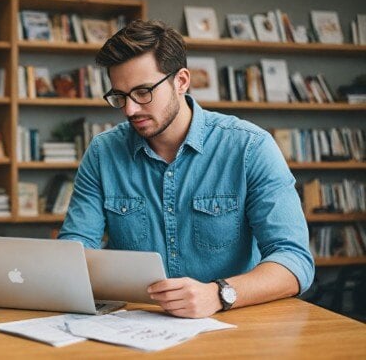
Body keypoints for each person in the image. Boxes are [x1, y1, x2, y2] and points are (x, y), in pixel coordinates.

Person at [58, 20, 314, 318]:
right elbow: (74, 251)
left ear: (181, 81)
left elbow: (294, 260)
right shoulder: (103, 153)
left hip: (232, 322)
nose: (130, 110)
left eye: (143, 92)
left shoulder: (250, 147)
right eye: (120, 96)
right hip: (137, 325)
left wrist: (218, 294)